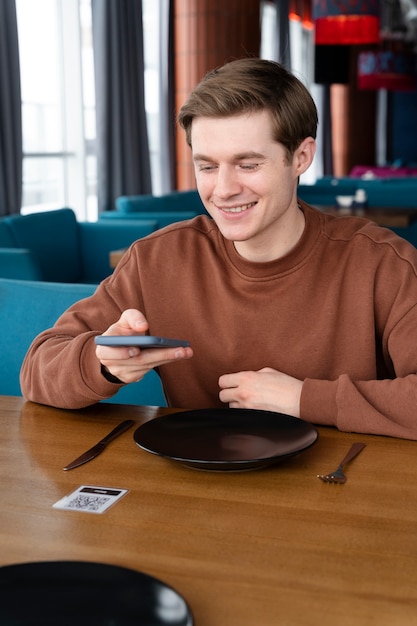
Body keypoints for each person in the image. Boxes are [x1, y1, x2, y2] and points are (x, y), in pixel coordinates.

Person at [20, 57, 417, 440]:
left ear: (301, 157)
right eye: (207, 166)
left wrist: (303, 398)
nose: (223, 190)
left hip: (344, 487)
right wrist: (102, 363)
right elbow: (37, 368)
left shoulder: (382, 263)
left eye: (248, 164)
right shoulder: (158, 259)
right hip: (196, 491)